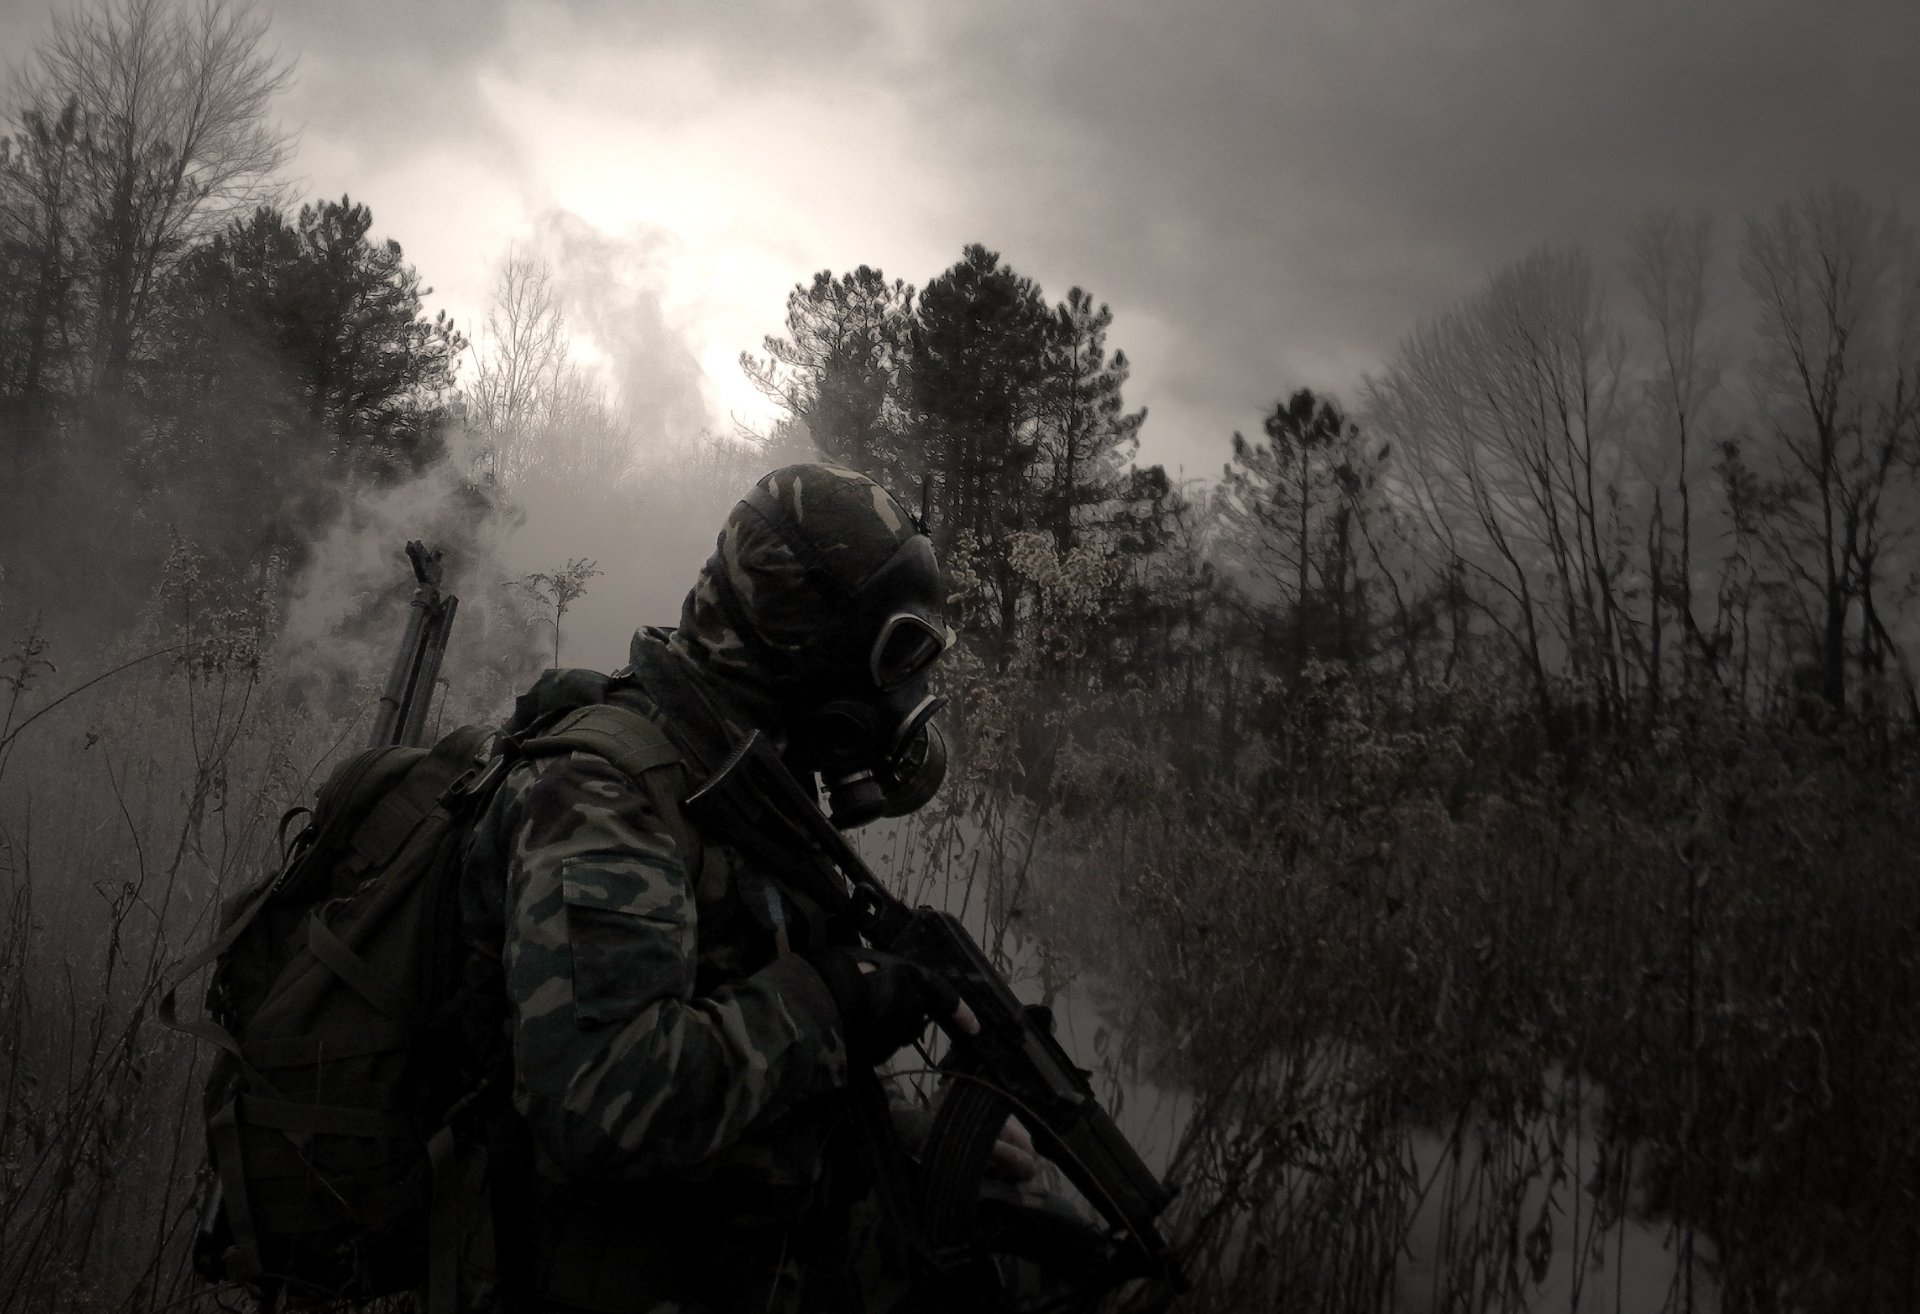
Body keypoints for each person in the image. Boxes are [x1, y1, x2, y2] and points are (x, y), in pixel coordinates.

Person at [458, 463, 1034, 1313]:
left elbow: (735, 1024)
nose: (902, 693)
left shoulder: (741, 776)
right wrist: (834, 1000)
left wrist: (902, 1140)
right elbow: (600, 1101)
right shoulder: (604, 795)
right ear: (799, 636)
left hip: (731, 1243)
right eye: (891, 652)